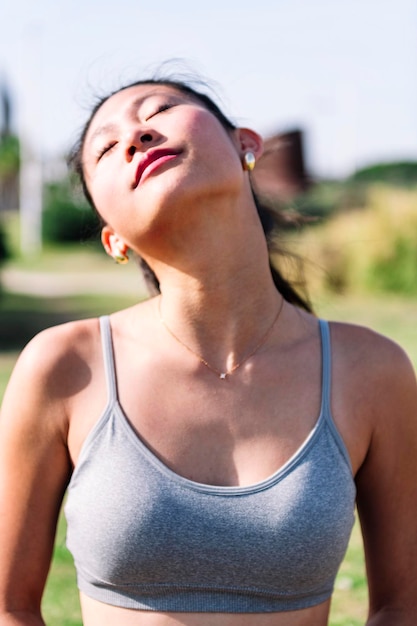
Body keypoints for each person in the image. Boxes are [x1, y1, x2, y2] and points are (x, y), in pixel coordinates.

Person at [1, 73, 417, 626]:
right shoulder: (64, 366)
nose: (135, 136)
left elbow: (401, 607)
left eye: (160, 110)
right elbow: (9, 607)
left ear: (246, 145)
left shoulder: (372, 370)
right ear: (113, 240)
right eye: (105, 147)